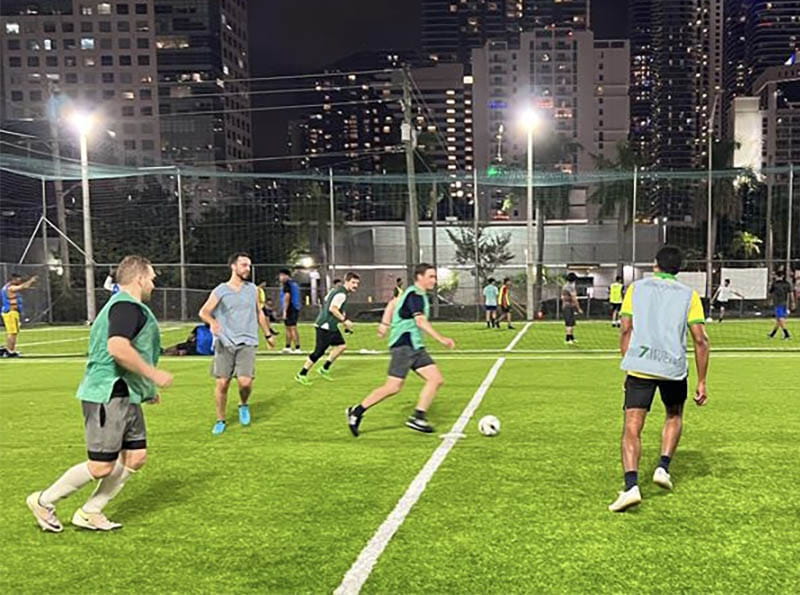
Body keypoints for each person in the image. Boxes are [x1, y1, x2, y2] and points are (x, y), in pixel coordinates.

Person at [26, 255, 173, 532]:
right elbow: (118, 348)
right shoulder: (127, 308)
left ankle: (90, 511)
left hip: (125, 394)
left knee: (136, 456)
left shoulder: (127, 307)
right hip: (107, 395)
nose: (154, 284)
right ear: (140, 278)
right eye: (152, 278)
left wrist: (146, 389)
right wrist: (154, 375)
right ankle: (44, 501)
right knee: (101, 466)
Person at [609, 245, 710, 513]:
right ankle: (663, 468)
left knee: (632, 425)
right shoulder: (690, 295)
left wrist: (626, 363)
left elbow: (626, 329)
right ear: (678, 269)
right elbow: (701, 339)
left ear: (655, 265)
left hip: (640, 366)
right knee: (674, 415)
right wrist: (701, 381)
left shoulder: (636, 289)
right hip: (673, 368)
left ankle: (631, 486)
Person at [345, 263, 455, 436]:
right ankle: (356, 411)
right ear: (420, 277)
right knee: (393, 387)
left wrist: (385, 324)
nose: (434, 280)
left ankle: (418, 417)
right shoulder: (414, 295)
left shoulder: (416, 295)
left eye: (435, 276)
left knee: (435, 379)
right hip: (404, 345)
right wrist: (441, 339)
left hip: (415, 346)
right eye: (431, 276)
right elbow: (420, 321)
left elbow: (393, 304)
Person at [200, 252, 275, 436]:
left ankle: (243, 404)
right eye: (244, 265)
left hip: (247, 341)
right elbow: (204, 312)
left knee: (245, 383)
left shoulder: (253, 290)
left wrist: (268, 334)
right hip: (225, 342)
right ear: (233, 267)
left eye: (249, 265)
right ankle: (220, 419)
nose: (247, 269)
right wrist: (213, 322)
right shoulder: (221, 290)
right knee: (223, 383)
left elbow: (259, 313)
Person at [295, 272, 360, 385]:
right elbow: (333, 309)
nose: (355, 285)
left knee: (341, 346)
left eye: (357, 283)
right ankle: (302, 374)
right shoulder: (342, 294)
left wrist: (341, 319)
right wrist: (344, 321)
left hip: (331, 326)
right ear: (347, 281)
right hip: (325, 326)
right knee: (318, 352)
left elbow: (327, 301)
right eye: (353, 282)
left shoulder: (336, 290)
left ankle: (324, 368)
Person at [1, 272, 37, 358]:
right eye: (18, 279)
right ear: (13, 279)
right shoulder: (10, 287)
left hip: (10, 312)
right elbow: (23, 286)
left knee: (13, 332)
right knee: (12, 333)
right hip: (11, 312)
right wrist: (31, 280)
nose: (20, 280)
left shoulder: (6, 287)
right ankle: (10, 351)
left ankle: (9, 350)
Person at [279, 268, 302, 353]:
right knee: (288, 328)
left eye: (281, 276)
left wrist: (285, 311)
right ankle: (288, 347)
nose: (280, 278)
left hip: (291, 308)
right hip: (294, 307)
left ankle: (297, 347)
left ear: (286, 276)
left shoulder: (287, 284)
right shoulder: (293, 284)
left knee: (292, 328)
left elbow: (287, 297)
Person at [767, 270, 795, 340]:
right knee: (779, 320)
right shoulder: (787, 283)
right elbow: (791, 294)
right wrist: (792, 302)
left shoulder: (775, 284)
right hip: (785, 303)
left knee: (780, 319)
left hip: (778, 303)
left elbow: (770, 293)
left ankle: (787, 334)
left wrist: (770, 301)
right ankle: (772, 334)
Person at [562, 273, 583, 345]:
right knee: (569, 323)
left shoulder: (566, 286)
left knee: (572, 323)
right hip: (568, 307)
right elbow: (574, 298)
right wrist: (578, 308)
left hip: (569, 306)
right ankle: (567, 339)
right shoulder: (570, 287)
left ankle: (571, 337)